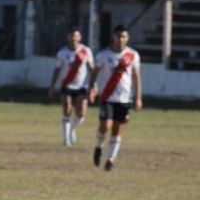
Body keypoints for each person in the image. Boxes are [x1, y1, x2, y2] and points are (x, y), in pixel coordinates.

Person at [88, 25, 142, 171]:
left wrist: (138, 98)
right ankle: (99, 146)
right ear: (113, 36)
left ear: (128, 38)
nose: (120, 39)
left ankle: (111, 159)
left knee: (117, 129)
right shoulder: (103, 55)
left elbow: (136, 77)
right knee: (106, 125)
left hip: (124, 98)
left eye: (123, 36)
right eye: (118, 36)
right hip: (107, 96)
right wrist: (92, 88)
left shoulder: (133, 55)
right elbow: (94, 72)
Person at [49, 27, 94, 147]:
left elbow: (92, 69)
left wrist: (94, 86)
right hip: (67, 85)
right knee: (67, 110)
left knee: (81, 114)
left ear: (80, 38)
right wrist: (52, 86)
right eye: (72, 36)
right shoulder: (62, 53)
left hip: (82, 86)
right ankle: (66, 139)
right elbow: (57, 69)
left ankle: (72, 130)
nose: (74, 38)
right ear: (68, 37)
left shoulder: (86, 51)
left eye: (76, 36)